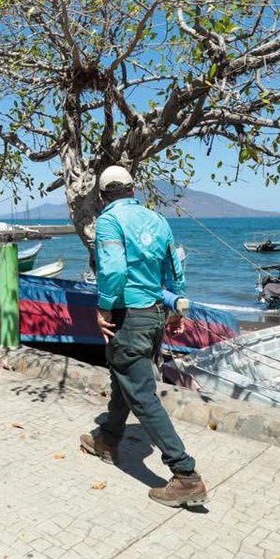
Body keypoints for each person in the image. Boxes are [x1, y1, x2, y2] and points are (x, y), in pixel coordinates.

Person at [78, 166, 208, 508]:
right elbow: (174, 271)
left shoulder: (108, 220)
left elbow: (114, 269)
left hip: (129, 316)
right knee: (125, 377)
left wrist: (104, 307)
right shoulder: (158, 221)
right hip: (153, 314)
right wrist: (176, 311)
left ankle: (185, 475)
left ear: (103, 196)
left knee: (142, 394)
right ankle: (107, 439)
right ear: (133, 190)